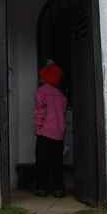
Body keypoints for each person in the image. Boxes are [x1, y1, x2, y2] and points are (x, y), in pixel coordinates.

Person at [34, 61, 67, 197]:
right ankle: (58, 188)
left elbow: (40, 112)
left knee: (42, 161)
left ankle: (42, 187)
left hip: (45, 133)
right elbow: (63, 112)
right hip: (58, 134)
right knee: (57, 162)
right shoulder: (61, 95)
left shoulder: (41, 92)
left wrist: (38, 128)